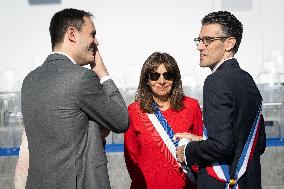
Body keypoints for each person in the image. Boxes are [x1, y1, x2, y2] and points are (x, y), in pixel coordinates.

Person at [21, 8, 129, 189]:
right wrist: (102, 73)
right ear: (72, 34)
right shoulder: (82, 78)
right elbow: (121, 119)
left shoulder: (29, 81)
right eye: (92, 34)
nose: (96, 42)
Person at [174, 11, 266, 189]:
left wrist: (186, 151)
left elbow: (221, 146)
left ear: (229, 43)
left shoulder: (216, 81)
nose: (200, 47)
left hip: (223, 182)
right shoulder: (247, 80)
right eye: (199, 40)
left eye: (207, 40)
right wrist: (200, 139)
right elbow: (258, 143)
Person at [124, 52, 203, 189]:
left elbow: (200, 149)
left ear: (175, 78)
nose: (162, 81)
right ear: (147, 80)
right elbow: (131, 157)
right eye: (155, 76)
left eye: (168, 75)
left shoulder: (192, 106)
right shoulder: (134, 111)